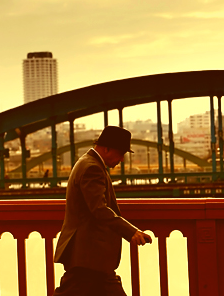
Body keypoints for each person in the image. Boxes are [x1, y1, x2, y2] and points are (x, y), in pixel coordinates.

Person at [53, 125, 152, 295]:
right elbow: (99, 209)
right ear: (106, 148)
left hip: (90, 257)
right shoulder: (93, 168)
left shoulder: (87, 162)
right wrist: (130, 232)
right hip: (89, 256)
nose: (121, 159)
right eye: (121, 153)